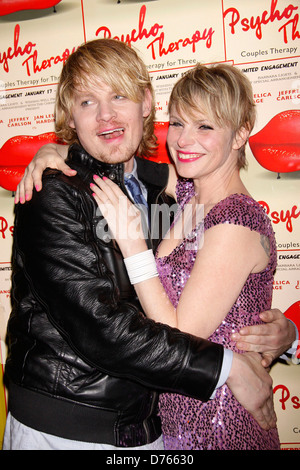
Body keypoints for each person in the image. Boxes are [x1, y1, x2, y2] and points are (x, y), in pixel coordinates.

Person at [3, 39, 278, 451]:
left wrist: (283, 333)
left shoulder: (164, 194)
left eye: (119, 95)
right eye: (87, 102)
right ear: (70, 116)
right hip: (69, 427)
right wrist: (229, 367)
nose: (106, 115)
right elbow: (102, 328)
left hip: (156, 424)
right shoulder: (52, 195)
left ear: (146, 103)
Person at [90, 63, 283, 450]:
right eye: (177, 123)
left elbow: (178, 336)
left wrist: (133, 245)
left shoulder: (236, 220)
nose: (183, 140)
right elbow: (113, 151)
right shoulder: (192, 194)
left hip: (221, 427)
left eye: (205, 126)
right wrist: (50, 151)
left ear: (240, 133)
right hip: (175, 421)